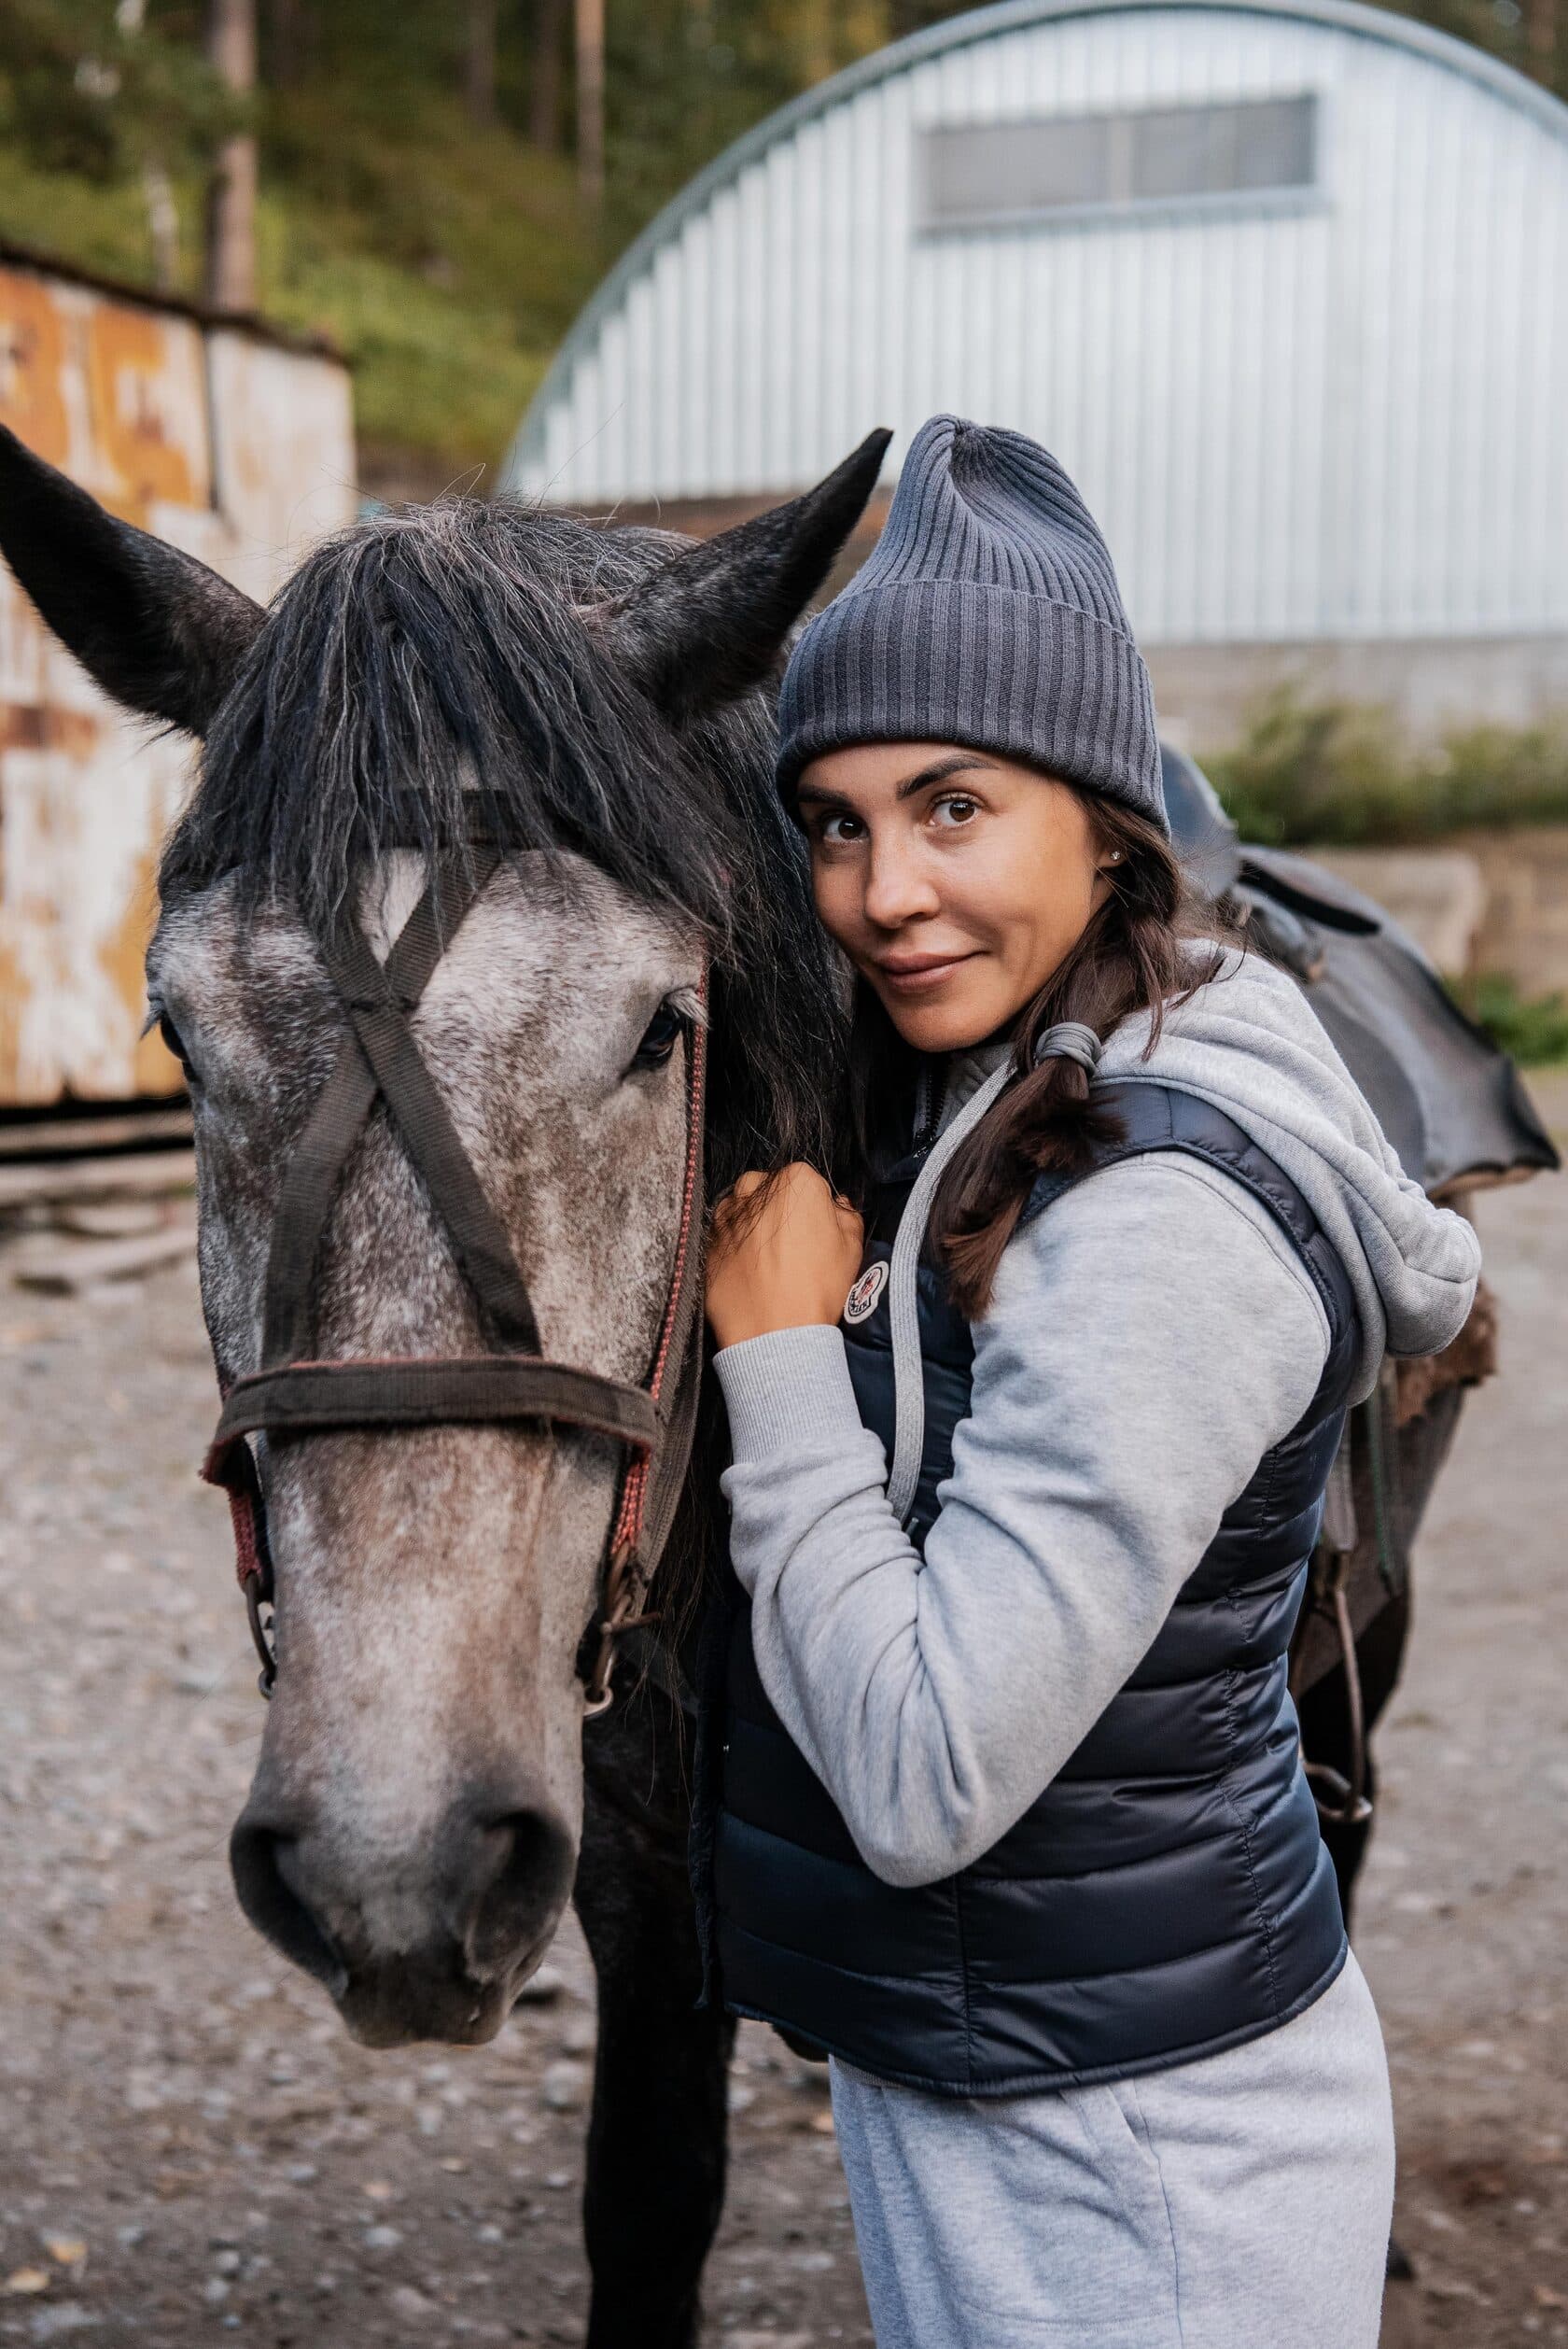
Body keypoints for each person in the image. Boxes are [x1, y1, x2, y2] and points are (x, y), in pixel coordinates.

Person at [697, 415, 1481, 2349]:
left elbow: (925, 1768)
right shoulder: (1004, 1081)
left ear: (1104, 820)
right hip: (1012, 2071)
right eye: (839, 821)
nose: (883, 892)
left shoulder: (1160, 1214)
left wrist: (782, 1355)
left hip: (1137, 2168)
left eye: (954, 805)